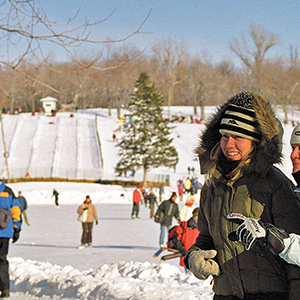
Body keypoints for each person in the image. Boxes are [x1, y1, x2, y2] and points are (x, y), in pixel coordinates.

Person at [184, 91, 300, 299]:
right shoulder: (211, 187)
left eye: (238, 137)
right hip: (225, 294)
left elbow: (295, 260)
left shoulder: (275, 185)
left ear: (255, 141)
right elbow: (205, 237)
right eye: (225, 136)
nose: (229, 145)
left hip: (270, 295)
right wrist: (194, 257)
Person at [225, 123, 300, 268]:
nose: (293, 155)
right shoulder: (296, 194)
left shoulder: (280, 185)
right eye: (292, 148)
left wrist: (280, 241)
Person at [0, 181, 22, 298]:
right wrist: (16, 228)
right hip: (5, 231)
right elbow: (16, 210)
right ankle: (5, 289)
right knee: (2, 259)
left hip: (4, 232)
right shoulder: (8, 191)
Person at [169, 207, 199, 272]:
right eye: (195, 216)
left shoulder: (204, 228)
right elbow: (175, 239)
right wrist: (182, 249)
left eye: (198, 216)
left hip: (198, 257)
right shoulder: (184, 226)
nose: (197, 218)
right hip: (186, 255)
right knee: (189, 277)